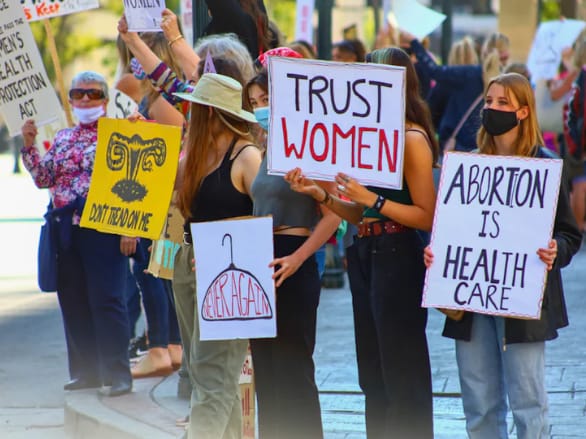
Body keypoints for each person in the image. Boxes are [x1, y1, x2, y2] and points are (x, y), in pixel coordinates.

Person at [284, 47, 438, 438]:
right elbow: (361, 215)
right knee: (372, 372)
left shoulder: (411, 138)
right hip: (367, 250)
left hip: (398, 253)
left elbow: (427, 215)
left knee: (402, 369)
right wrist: (321, 195)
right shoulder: (372, 137)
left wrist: (373, 200)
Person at [425, 72, 582, 439]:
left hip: (523, 302)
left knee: (528, 402)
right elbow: (451, 230)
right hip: (470, 302)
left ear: (523, 112)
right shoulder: (468, 166)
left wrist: (556, 249)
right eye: (489, 101)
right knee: (478, 401)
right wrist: (438, 254)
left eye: (502, 103)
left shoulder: (545, 167)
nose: (491, 108)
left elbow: (569, 234)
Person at [244, 58, 341, 438]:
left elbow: (334, 214)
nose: (260, 108)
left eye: (265, 99)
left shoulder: (310, 146)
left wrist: (300, 258)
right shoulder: (265, 146)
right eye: (254, 102)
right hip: (260, 258)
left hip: (293, 255)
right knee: (266, 368)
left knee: (293, 366)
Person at [20, 71, 133, 397]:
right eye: (78, 93)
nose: (85, 99)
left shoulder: (121, 135)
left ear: (105, 101)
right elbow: (43, 178)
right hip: (65, 231)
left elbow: (133, 184)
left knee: (108, 300)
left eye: (93, 93)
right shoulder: (63, 137)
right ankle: (86, 372)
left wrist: (130, 230)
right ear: (70, 100)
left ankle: (118, 373)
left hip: (104, 228)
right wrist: (29, 146)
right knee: (73, 301)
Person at [172, 73, 262, 439]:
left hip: (227, 270)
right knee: (205, 372)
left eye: (195, 108)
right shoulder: (195, 156)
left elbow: (268, 219)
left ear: (211, 112)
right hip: (189, 263)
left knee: (213, 374)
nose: (190, 114)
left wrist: (221, 250)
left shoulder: (247, 156)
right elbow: (164, 192)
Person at [401, 30, 505, 153]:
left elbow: (434, 71)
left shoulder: (465, 76)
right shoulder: (496, 80)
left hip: (455, 146)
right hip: (483, 145)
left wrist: (414, 42)